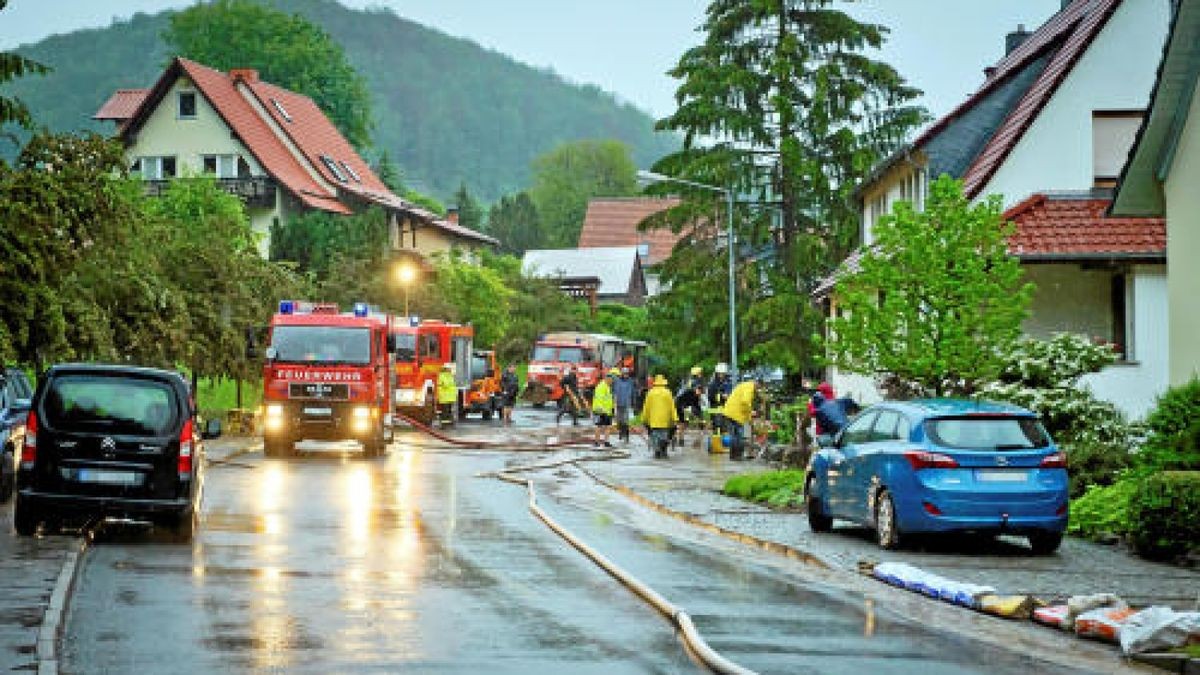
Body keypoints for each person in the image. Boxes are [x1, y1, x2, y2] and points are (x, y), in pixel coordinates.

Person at [640, 374, 678, 459]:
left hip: (653, 420)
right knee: (664, 436)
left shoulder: (650, 393)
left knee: (655, 436)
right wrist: (675, 419)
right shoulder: (668, 393)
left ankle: (657, 451)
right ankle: (663, 451)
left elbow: (646, 407)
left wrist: (644, 419)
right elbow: (672, 407)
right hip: (665, 420)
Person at [722, 376, 758, 461]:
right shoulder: (750, 387)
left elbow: (744, 403)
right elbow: (745, 401)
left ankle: (733, 456)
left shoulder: (744, 385)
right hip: (735, 414)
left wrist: (749, 418)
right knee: (739, 435)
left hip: (730, 411)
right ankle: (738, 456)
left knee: (734, 435)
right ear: (757, 385)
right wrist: (750, 412)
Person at [591, 369, 615, 448]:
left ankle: (606, 442)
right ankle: (596, 442)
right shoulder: (601, 387)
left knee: (608, 426)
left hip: (607, 411)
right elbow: (599, 399)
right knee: (599, 426)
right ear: (607, 379)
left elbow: (608, 399)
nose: (612, 382)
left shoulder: (607, 387)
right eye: (612, 380)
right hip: (600, 411)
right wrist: (601, 410)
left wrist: (612, 408)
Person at [707, 363, 733, 434]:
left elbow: (731, 393)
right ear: (717, 373)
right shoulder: (712, 384)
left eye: (723, 374)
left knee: (726, 428)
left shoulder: (728, 382)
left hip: (726, 409)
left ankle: (725, 442)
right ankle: (716, 442)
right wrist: (721, 396)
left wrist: (728, 396)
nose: (721, 375)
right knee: (717, 428)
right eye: (720, 374)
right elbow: (710, 396)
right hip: (715, 409)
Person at [612, 368, 636, 444]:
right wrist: (613, 402)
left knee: (625, 420)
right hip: (618, 403)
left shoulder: (630, 382)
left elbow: (632, 392)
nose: (626, 375)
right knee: (619, 420)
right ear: (621, 374)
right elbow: (614, 392)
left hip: (626, 403)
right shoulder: (617, 381)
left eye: (627, 373)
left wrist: (633, 403)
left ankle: (626, 435)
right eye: (624, 373)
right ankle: (621, 432)